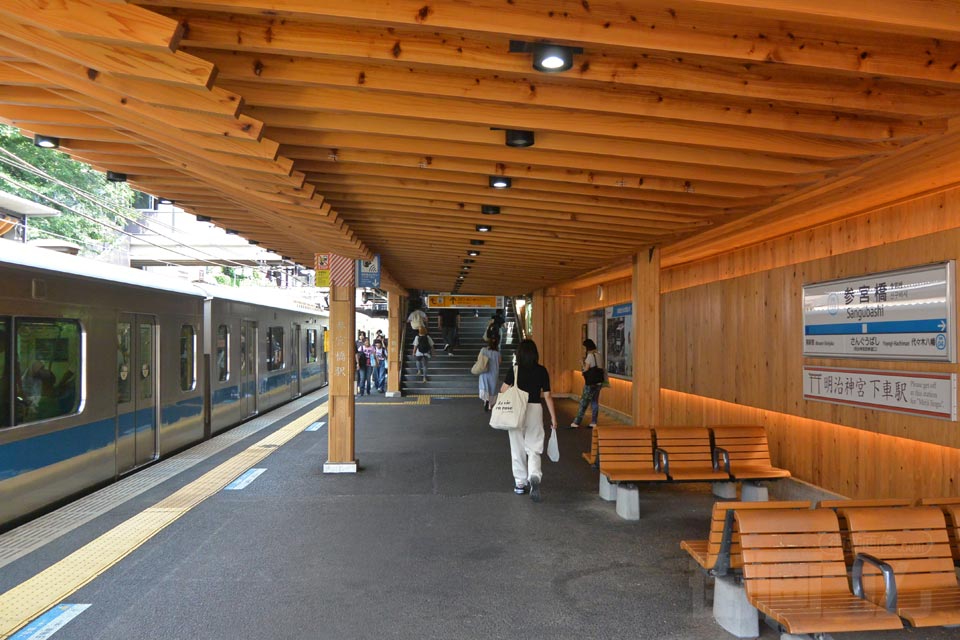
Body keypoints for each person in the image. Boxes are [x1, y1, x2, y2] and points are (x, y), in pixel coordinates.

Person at [500, 339, 558, 503]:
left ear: (519, 354)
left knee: (517, 447)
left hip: (517, 410)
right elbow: (547, 396)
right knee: (534, 446)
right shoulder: (542, 371)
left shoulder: (515, 369)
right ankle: (534, 475)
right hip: (535, 409)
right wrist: (553, 417)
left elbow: (503, 390)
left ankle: (520, 483)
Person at [570, 339, 603, 429]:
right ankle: (594, 422)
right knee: (595, 402)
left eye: (584, 347)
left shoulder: (590, 356)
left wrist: (582, 363)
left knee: (584, 402)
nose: (583, 349)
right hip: (599, 382)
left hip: (590, 383)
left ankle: (577, 422)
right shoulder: (599, 355)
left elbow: (585, 369)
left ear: (587, 347)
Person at [478, 336, 501, 411]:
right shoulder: (497, 352)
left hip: (485, 372)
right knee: (492, 388)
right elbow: (500, 362)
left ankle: (486, 401)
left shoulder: (483, 350)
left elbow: (479, 359)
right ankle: (490, 404)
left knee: (485, 387)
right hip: (494, 373)